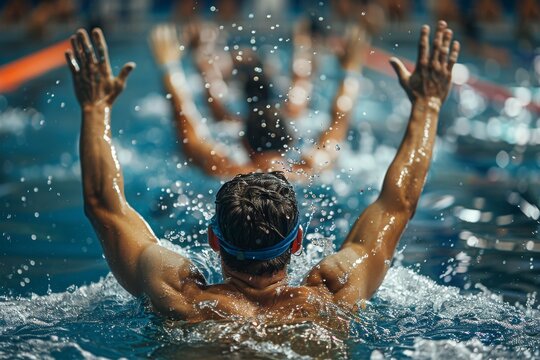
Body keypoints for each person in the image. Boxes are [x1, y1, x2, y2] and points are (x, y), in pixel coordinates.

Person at [64, 21, 459, 323]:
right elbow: (398, 204)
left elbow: (103, 205)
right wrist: (427, 106)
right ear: (298, 240)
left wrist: (95, 108)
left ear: (213, 240)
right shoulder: (334, 297)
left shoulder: (180, 300)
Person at [150, 22, 369, 181]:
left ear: (243, 143)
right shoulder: (309, 170)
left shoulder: (228, 171)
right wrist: (350, 71)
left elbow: (189, 132)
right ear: (291, 140)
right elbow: (339, 123)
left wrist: (169, 67)